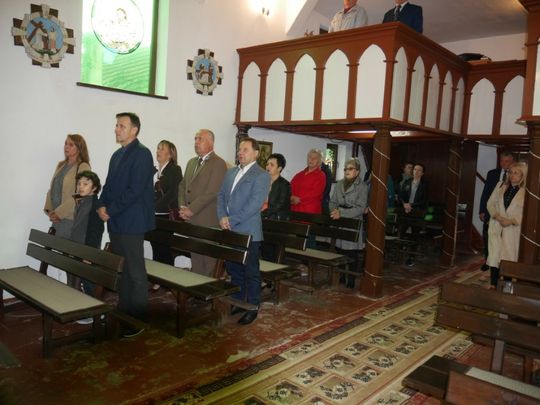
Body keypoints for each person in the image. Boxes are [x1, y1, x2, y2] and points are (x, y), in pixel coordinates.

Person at [98, 112, 155, 338]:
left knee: (136, 272)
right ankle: (124, 310)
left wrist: (110, 210)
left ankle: (138, 319)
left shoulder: (142, 154)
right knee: (123, 270)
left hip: (132, 221)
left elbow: (135, 190)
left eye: (121, 126)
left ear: (134, 130)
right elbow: (108, 185)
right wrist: (101, 205)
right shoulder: (116, 155)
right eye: (116, 125)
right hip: (116, 221)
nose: (117, 129)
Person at [217, 138, 271, 325]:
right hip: (230, 229)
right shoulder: (231, 172)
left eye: (245, 149)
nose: (241, 152)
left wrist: (231, 220)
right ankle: (239, 301)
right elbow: (221, 196)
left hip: (248, 232)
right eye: (240, 149)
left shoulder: (261, 175)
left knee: (251, 272)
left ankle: (253, 307)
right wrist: (222, 217)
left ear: (256, 153)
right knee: (234, 269)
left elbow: (254, 205)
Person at [178, 129, 227, 277]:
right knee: (196, 257)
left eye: (200, 139)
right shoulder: (192, 162)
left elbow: (212, 191)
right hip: (192, 219)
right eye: (195, 139)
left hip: (207, 220)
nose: (196, 142)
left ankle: (208, 287)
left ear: (210, 143)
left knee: (209, 260)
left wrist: (191, 209)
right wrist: (182, 207)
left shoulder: (218, 163)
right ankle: (196, 286)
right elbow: (182, 186)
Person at [44, 134, 91, 287]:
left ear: (79, 148)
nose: (66, 147)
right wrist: (50, 211)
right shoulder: (61, 165)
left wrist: (60, 212)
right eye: (66, 143)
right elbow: (52, 189)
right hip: (58, 220)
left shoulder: (83, 166)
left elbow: (80, 194)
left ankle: (75, 291)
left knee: (73, 261)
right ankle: (71, 291)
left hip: (72, 220)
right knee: (65, 259)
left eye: (71, 144)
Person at [70, 171, 105, 324]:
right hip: (80, 247)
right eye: (79, 184)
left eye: (85, 184)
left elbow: (96, 231)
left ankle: (98, 313)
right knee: (85, 281)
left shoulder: (95, 204)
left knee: (90, 282)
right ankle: (90, 310)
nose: (81, 187)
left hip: (87, 250)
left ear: (94, 188)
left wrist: (89, 254)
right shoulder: (83, 201)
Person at [486, 162, 527, 289]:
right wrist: (497, 216)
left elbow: (528, 212)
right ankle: (493, 284)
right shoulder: (500, 185)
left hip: (512, 229)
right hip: (497, 226)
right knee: (494, 256)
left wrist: (512, 221)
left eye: (516, 173)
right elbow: (490, 204)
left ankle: (507, 286)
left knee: (509, 258)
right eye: (510, 172)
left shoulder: (526, 192)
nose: (512, 175)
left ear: (523, 175)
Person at [329, 158, 369, 288]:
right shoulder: (339, 184)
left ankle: (351, 278)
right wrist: (334, 211)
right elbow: (332, 201)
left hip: (353, 221)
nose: (347, 171)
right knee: (340, 250)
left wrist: (341, 213)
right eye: (345, 168)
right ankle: (341, 276)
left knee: (352, 252)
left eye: (350, 168)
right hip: (339, 220)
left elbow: (360, 208)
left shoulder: (362, 187)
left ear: (357, 172)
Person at [479, 151, 514, 272]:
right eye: (501, 161)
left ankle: (501, 263)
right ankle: (488, 261)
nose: (503, 163)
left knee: (503, 240)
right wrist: (482, 210)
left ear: (512, 162)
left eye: (507, 161)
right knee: (488, 237)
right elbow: (485, 193)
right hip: (490, 211)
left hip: (506, 214)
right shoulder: (492, 173)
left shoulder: (515, 175)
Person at [398, 163, 428, 266]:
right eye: (415, 169)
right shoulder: (407, 182)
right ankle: (399, 253)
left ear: (422, 173)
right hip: (405, 211)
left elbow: (424, 201)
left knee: (414, 235)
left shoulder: (424, 185)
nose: (416, 172)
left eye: (419, 170)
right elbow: (401, 196)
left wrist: (411, 205)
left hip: (417, 213)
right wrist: (404, 204)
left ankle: (411, 257)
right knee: (401, 232)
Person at [290, 149, 326, 215]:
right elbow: (290, 187)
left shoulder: (321, 175)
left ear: (319, 161)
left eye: (315, 158)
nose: (311, 159)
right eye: (310, 157)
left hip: (310, 210)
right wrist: (291, 197)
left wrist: (300, 199)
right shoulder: (299, 174)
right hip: (295, 208)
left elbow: (316, 193)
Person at [262, 153, 291, 221]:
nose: (268, 167)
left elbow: (279, 206)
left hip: (275, 219)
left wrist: (261, 214)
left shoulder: (284, 184)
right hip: (261, 217)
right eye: (267, 164)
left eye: (272, 165)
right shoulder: (263, 182)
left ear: (279, 168)